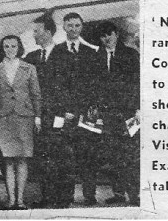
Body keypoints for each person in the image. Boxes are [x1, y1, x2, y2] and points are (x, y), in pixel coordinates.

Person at [49, 12, 103, 206]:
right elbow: (54, 84)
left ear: (82, 27)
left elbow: (96, 85)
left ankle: (90, 195)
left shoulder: (91, 53)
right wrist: (64, 109)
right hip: (67, 114)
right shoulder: (57, 52)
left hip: (86, 113)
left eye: (77, 25)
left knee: (88, 156)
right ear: (64, 27)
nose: (73, 29)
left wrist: (91, 111)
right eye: (70, 25)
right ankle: (66, 196)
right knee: (66, 158)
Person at [0, 35, 41, 209]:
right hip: (3, 118)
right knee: (8, 160)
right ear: (2, 48)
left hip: (25, 117)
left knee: (23, 159)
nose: (10, 49)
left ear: (19, 48)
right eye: (6, 46)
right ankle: (11, 200)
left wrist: (38, 117)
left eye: (13, 46)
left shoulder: (29, 68)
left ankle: (20, 200)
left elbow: (36, 94)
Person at [22, 14, 67, 208]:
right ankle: (47, 197)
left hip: (58, 116)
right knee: (42, 157)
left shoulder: (65, 54)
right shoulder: (31, 58)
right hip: (38, 116)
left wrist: (65, 113)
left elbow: (71, 86)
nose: (34, 35)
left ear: (48, 32)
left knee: (60, 157)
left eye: (36, 31)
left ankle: (62, 199)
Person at [96, 21, 140, 206]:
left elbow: (137, 83)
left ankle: (134, 195)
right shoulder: (97, 56)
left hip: (128, 112)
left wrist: (138, 108)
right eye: (103, 36)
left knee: (130, 154)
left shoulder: (130, 54)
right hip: (108, 113)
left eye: (110, 34)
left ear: (117, 35)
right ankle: (119, 193)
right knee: (113, 154)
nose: (107, 38)